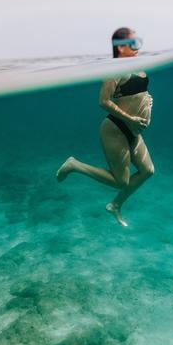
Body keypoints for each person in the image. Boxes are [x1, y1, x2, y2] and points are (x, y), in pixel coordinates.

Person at [56, 27, 154, 227]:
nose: (138, 48)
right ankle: (74, 165)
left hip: (133, 131)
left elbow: (136, 94)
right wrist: (132, 119)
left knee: (148, 170)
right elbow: (103, 101)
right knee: (121, 181)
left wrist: (148, 102)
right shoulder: (114, 70)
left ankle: (115, 205)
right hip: (116, 129)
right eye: (134, 43)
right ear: (120, 47)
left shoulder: (139, 66)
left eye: (139, 42)